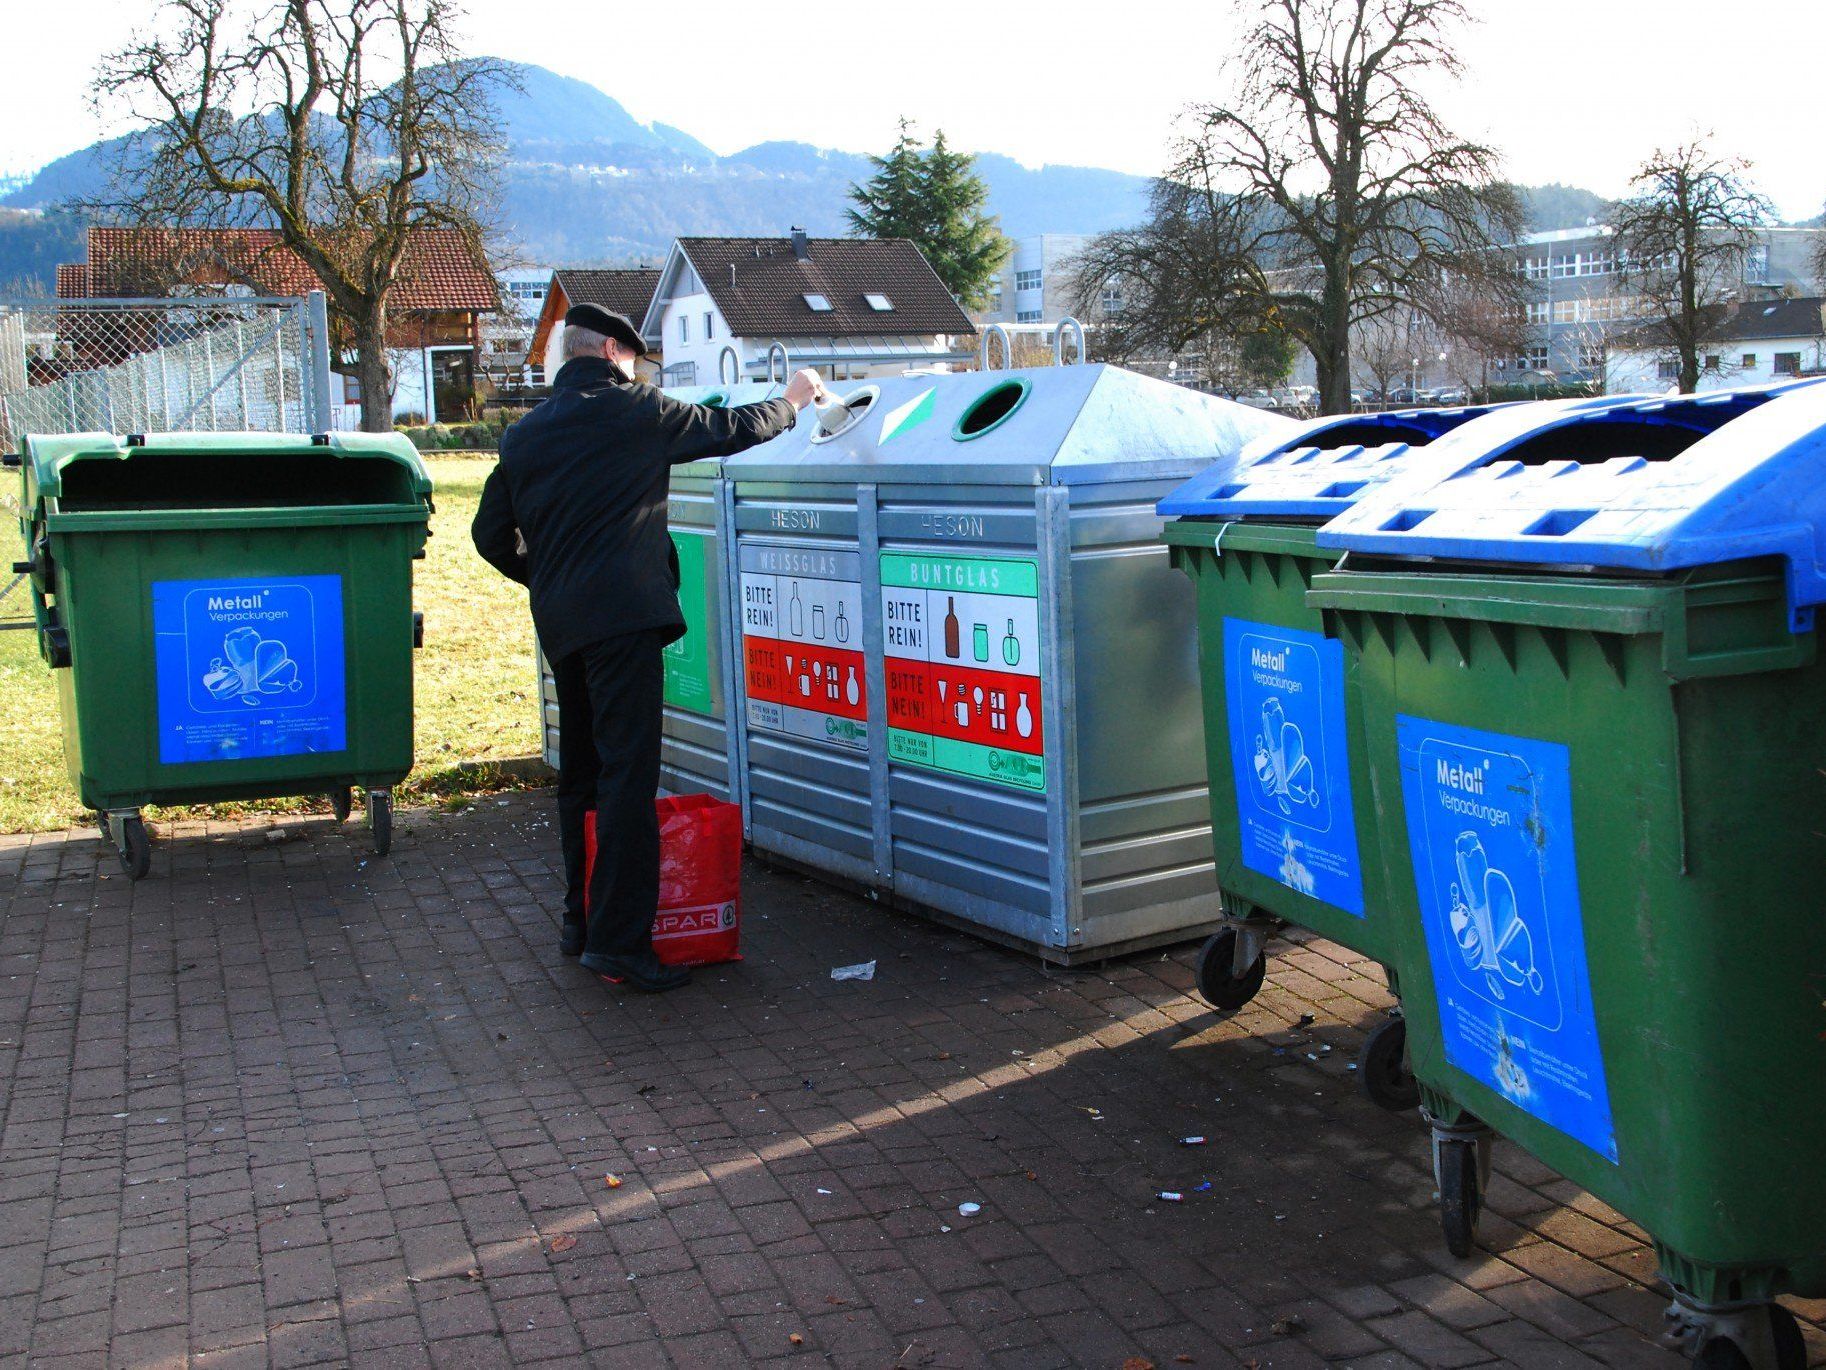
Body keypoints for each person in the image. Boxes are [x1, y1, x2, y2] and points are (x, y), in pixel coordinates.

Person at [473, 302, 822, 992]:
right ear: (611, 351)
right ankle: (620, 944)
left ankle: (580, 921)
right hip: (625, 622)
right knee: (627, 779)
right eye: (634, 357)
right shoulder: (637, 410)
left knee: (581, 774)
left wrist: (549, 578)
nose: (637, 368)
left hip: (564, 625)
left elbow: (489, 536)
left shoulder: (526, 433)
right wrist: (792, 400)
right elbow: (731, 429)